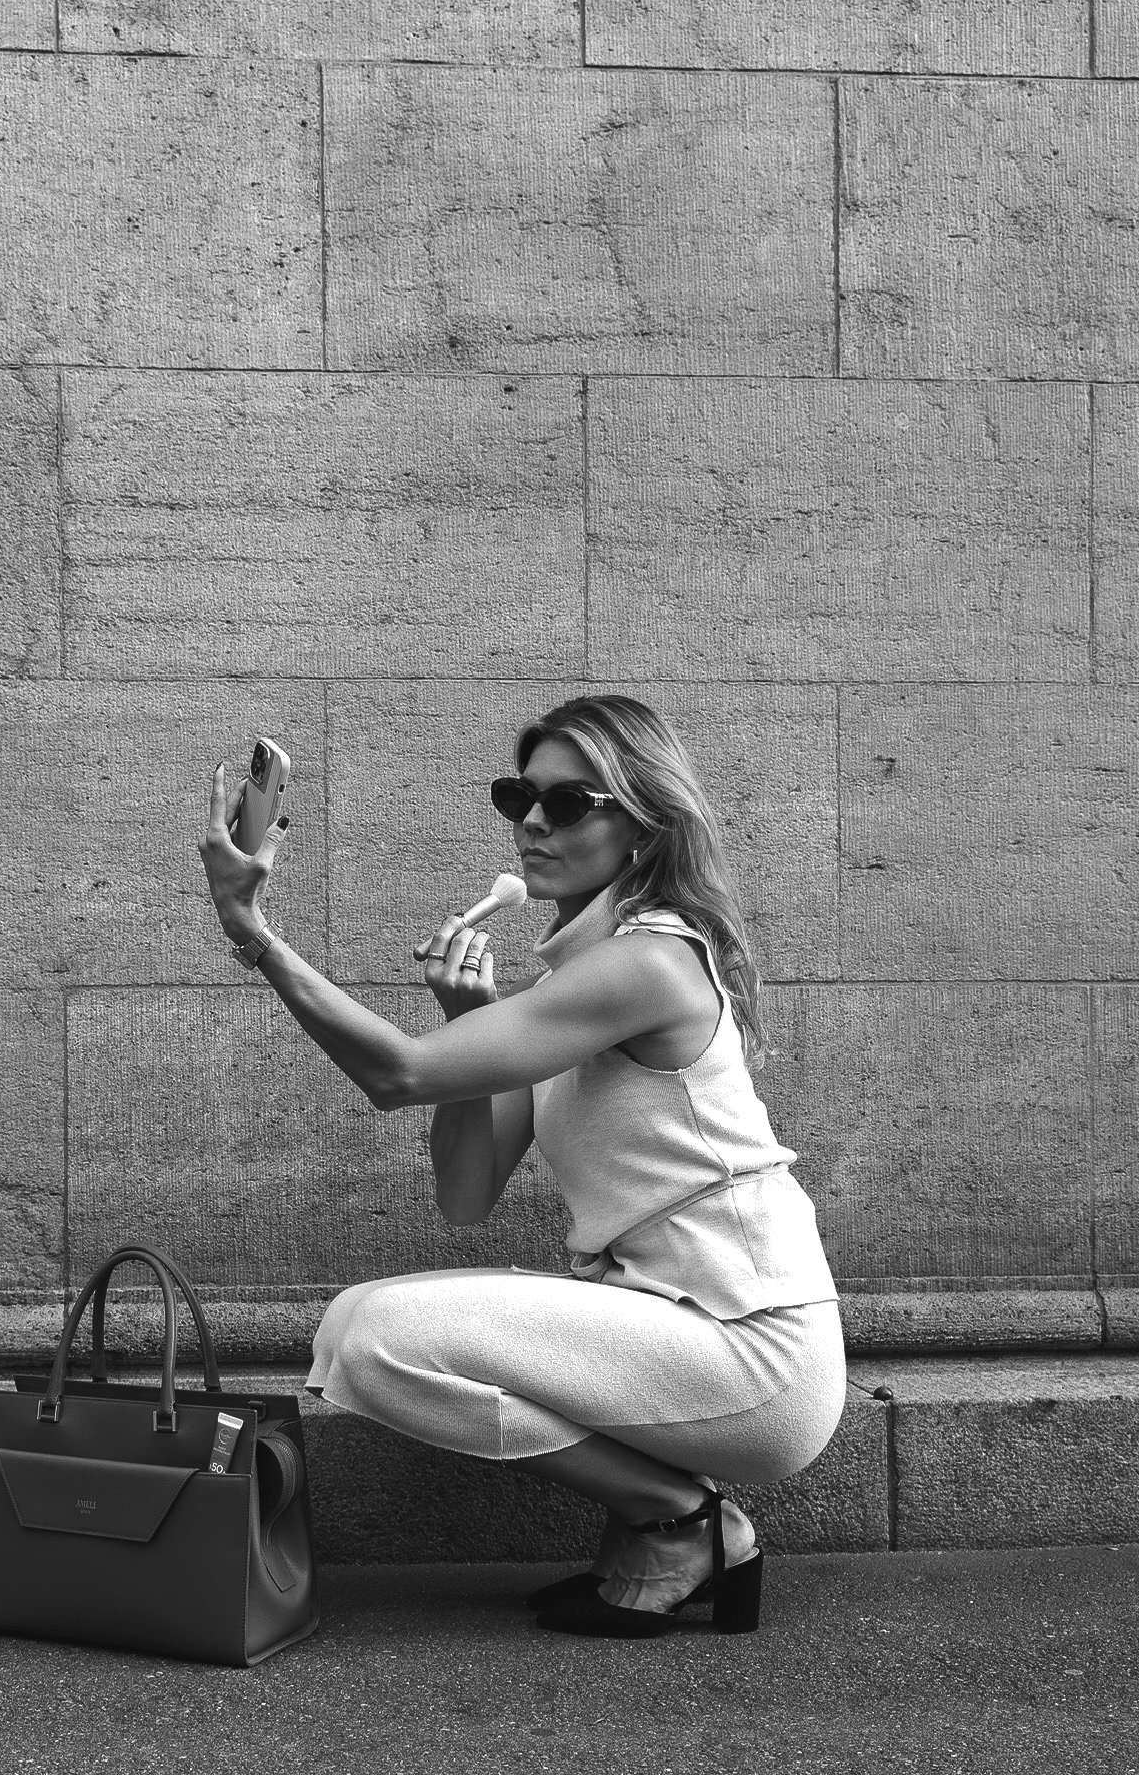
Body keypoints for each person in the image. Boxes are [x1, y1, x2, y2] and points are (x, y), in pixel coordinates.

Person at [196, 694, 845, 1640]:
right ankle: (676, 1516)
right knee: (360, 1335)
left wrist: (252, 931)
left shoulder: (650, 964)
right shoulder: (575, 986)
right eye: (519, 796)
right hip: (677, 1329)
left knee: (372, 1335)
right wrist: (472, 1025)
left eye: (571, 802)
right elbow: (465, 1194)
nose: (534, 822)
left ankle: (681, 1520)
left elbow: (395, 1074)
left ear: (645, 825)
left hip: (752, 1350)